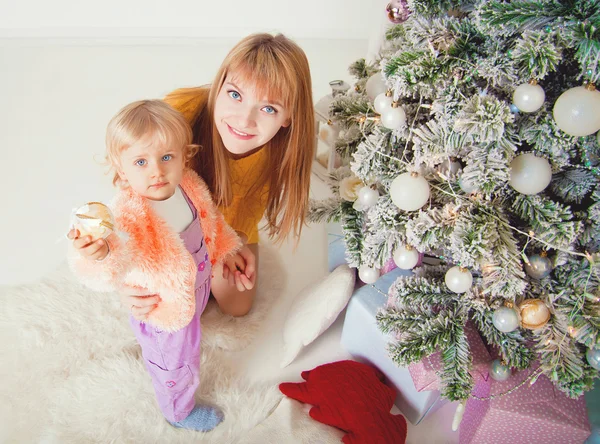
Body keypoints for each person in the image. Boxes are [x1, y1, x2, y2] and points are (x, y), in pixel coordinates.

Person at [68, 100, 241, 431]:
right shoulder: (129, 215)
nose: (156, 171)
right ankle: (177, 410)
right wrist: (98, 252)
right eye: (141, 161)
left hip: (194, 287)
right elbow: (117, 252)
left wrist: (228, 248)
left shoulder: (188, 185)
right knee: (175, 364)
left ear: (183, 156)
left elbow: (212, 223)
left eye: (166, 158)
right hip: (165, 309)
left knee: (191, 334)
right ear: (121, 169)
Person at [125, 33, 316, 319]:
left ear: (287, 116)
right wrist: (129, 269)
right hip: (172, 220)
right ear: (220, 85)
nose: (244, 120)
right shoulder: (181, 111)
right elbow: (136, 183)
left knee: (236, 305)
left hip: (224, 225)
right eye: (235, 95)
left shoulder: (278, 154)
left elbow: (244, 216)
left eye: (268, 108)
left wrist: (228, 247)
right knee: (160, 296)